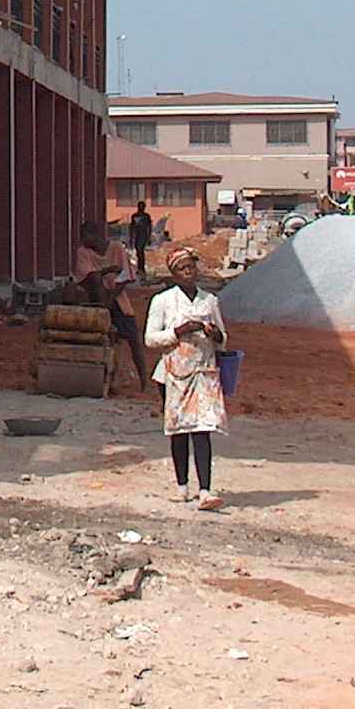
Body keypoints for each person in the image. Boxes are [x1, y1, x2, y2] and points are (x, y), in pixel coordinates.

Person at [142, 244, 229, 509]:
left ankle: (205, 489)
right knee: (179, 431)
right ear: (174, 274)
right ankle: (182, 485)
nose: (188, 272)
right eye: (182, 269)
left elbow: (223, 340)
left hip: (204, 372)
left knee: (203, 430)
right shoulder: (163, 301)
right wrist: (178, 331)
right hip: (173, 374)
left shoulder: (209, 301)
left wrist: (214, 334)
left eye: (191, 267)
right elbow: (150, 339)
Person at [74, 218, 149, 387]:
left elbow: (125, 277)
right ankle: (104, 379)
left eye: (85, 236)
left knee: (133, 339)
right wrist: (108, 271)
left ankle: (144, 381)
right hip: (95, 301)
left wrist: (111, 296)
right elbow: (89, 278)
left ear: (95, 235)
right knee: (107, 342)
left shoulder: (116, 248)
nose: (83, 241)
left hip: (117, 299)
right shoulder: (83, 252)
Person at [127, 202, 155, 278]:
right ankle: (140, 268)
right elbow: (132, 227)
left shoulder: (146, 216)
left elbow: (149, 227)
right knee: (138, 252)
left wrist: (149, 237)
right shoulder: (134, 216)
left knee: (140, 251)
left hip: (143, 235)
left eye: (143, 206)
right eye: (140, 206)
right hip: (137, 235)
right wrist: (131, 237)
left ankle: (141, 268)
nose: (141, 208)